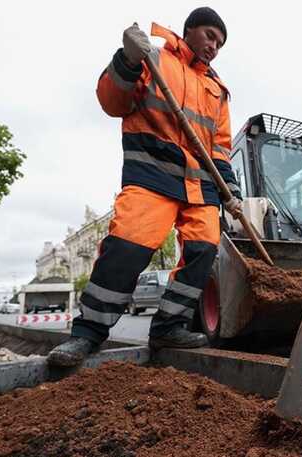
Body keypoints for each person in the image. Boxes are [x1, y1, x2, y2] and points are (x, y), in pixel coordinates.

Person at [48, 7, 242, 366]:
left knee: (204, 252)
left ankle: (169, 325)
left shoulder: (217, 89)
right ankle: (87, 335)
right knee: (128, 247)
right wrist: (126, 60)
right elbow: (112, 101)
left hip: (200, 189)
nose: (214, 47)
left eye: (220, 43)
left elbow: (220, 148)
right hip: (152, 174)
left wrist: (232, 193)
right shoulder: (154, 59)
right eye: (209, 36)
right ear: (189, 31)